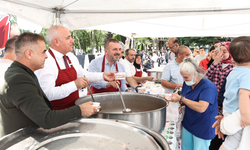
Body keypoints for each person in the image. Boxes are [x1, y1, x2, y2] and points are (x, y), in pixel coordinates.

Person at [0, 32, 100, 136]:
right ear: (29, 54)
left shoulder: (19, 72)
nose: (46, 56)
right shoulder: (19, 79)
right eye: (43, 52)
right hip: (20, 140)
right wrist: (80, 110)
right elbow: (46, 119)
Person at [35, 25, 115, 110]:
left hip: (74, 109)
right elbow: (47, 94)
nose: (72, 40)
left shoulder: (70, 56)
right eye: (68, 38)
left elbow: (83, 74)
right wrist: (75, 85)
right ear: (56, 42)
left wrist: (103, 76)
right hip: (56, 114)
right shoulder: (47, 61)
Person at [170, 57, 218, 150]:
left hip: (203, 126)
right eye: (182, 76)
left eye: (186, 77)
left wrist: (181, 99)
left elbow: (201, 108)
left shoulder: (208, 87)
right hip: (189, 123)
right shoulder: (187, 84)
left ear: (195, 74)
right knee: (186, 147)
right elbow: (184, 98)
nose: (184, 79)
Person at [213, 36, 250, 150]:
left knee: (231, 141)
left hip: (227, 110)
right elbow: (243, 95)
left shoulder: (233, 72)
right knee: (232, 142)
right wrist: (245, 115)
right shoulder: (247, 74)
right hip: (236, 113)